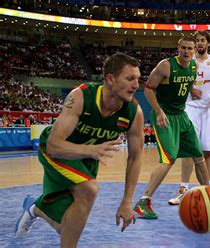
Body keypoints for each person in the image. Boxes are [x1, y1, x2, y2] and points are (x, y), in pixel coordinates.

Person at [14, 53, 144, 247]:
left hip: (86, 157)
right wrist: (91, 150)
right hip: (57, 151)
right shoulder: (81, 96)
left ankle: (37, 208)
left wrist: (127, 201)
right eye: (130, 78)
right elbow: (54, 145)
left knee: (67, 226)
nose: (136, 85)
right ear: (110, 79)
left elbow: (135, 157)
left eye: (138, 79)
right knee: (89, 189)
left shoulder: (134, 112)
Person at [134, 36, 209, 219]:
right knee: (168, 159)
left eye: (190, 49)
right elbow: (149, 89)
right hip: (165, 116)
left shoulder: (194, 66)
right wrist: (159, 111)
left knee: (198, 156)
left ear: (194, 51)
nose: (186, 51)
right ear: (178, 48)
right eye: (183, 48)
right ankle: (143, 202)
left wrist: (191, 90)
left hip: (181, 116)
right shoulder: (165, 66)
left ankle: (209, 196)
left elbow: (186, 82)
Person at [168, 30, 210, 205]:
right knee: (189, 150)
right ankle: (183, 189)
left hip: (209, 109)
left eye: (202, 40)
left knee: (207, 151)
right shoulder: (187, 61)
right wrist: (191, 89)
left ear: (208, 43)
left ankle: (209, 188)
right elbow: (178, 82)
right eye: (197, 41)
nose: (200, 43)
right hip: (191, 108)